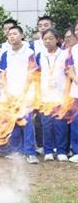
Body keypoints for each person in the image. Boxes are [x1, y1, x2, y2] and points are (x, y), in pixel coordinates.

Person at [0, 25, 39, 164]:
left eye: (14, 34)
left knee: (26, 122)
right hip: (9, 95)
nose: (11, 36)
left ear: (21, 35)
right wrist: (7, 91)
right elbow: (2, 74)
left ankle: (30, 152)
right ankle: (16, 151)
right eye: (9, 35)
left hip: (25, 94)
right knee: (12, 123)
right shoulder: (6, 54)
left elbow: (31, 74)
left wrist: (23, 92)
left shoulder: (29, 52)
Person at [35, 28, 69, 162]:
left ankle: (61, 151)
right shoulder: (40, 55)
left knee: (60, 125)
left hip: (60, 95)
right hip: (45, 96)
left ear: (57, 39)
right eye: (45, 39)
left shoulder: (65, 54)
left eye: (51, 38)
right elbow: (35, 76)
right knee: (47, 124)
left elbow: (69, 74)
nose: (48, 41)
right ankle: (48, 150)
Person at [67, 25, 78, 163]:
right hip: (76, 92)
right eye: (76, 30)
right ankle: (76, 150)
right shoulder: (73, 50)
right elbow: (69, 69)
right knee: (76, 122)